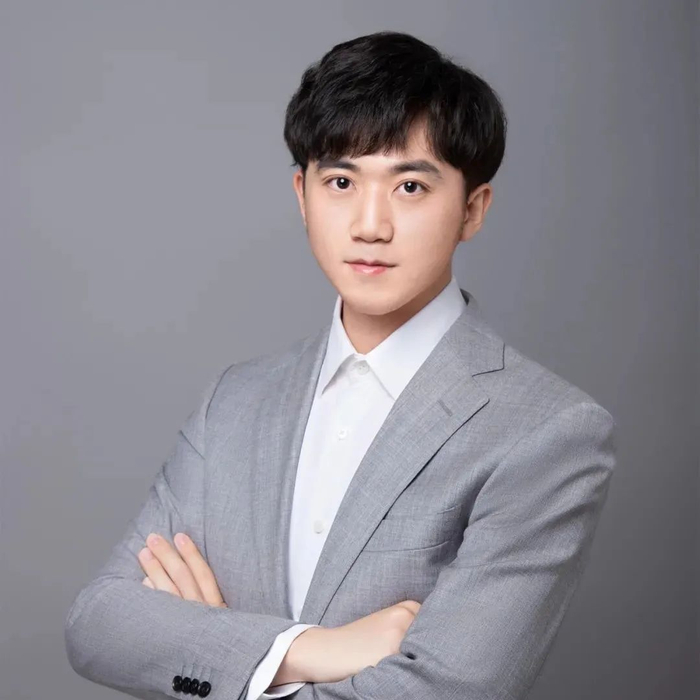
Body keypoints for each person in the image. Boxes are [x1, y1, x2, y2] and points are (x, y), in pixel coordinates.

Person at [64, 30, 617, 700]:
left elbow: (444, 692)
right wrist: (310, 650)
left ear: (472, 209)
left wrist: (220, 654)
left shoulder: (546, 431)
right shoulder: (235, 402)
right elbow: (99, 625)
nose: (369, 225)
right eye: (341, 181)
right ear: (302, 194)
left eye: (410, 186)